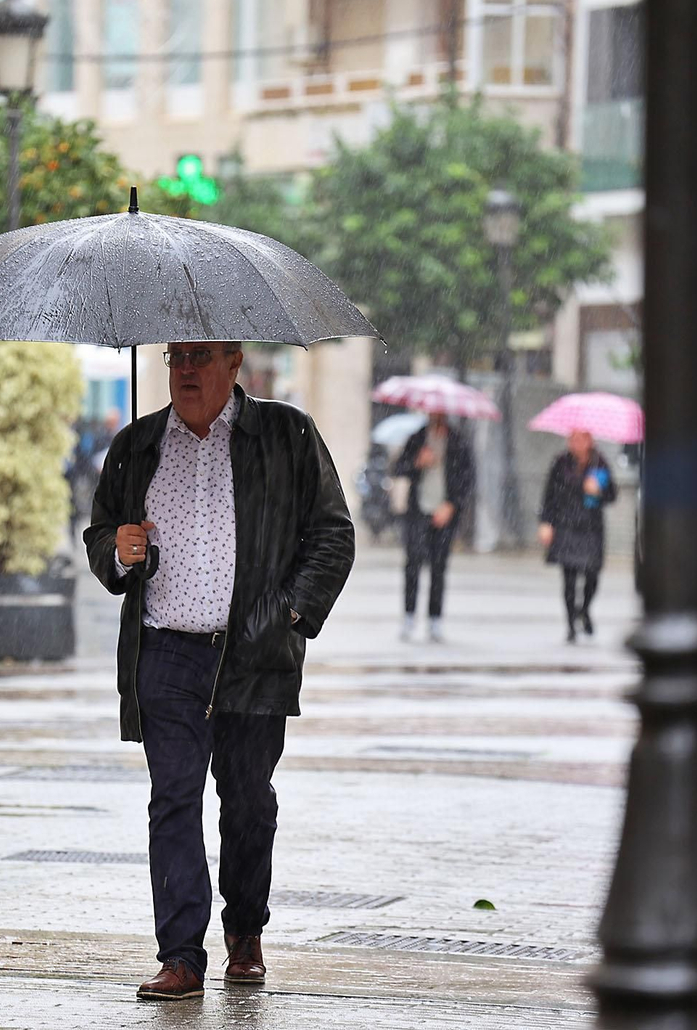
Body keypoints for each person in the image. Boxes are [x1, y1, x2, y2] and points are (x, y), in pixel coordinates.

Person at [84, 341, 355, 1002]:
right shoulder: (136, 445)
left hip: (254, 652)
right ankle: (180, 956)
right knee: (173, 800)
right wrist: (120, 551)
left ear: (234, 362)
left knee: (248, 802)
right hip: (166, 652)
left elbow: (332, 534)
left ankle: (245, 930)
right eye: (178, 356)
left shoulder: (287, 435)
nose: (185, 370)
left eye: (200, 356)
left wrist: (288, 612)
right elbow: (101, 540)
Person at [392, 413, 475, 643]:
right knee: (412, 563)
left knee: (439, 567)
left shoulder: (458, 441)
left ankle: (435, 619)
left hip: (444, 514)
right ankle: (409, 615)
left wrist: (452, 505)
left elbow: (467, 478)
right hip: (418, 511)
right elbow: (399, 467)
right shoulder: (417, 438)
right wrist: (418, 461)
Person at [538, 429, 618, 643]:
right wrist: (546, 522)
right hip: (566, 525)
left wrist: (598, 491)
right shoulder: (561, 462)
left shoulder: (600, 463)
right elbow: (549, 495)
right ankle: (571, 624)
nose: (576, 443)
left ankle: (584, 609)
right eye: (572, 438)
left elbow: (612, 495)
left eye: (581, 438)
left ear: (590, 440)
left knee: (592, 575)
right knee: (569, 577)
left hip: (591, 527)